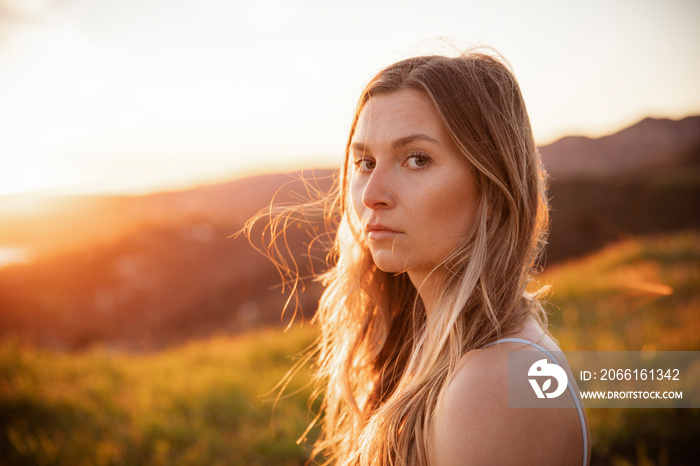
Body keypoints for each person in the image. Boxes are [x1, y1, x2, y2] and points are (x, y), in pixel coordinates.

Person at [246, 49, 590, 465]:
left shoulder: (492, 384)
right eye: (365, 162)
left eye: (416, 159)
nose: (372, 194)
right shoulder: (438, 349)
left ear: (492, 184)